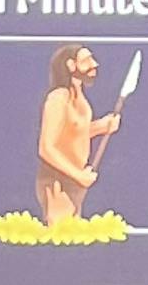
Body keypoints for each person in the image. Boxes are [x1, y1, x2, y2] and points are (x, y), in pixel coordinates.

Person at [35, 43, 124, 225]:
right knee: (61, 233)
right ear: (70, 65)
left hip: (74, 180)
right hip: (57, 180)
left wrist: (101, 126)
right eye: (87, 60)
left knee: (73, 231)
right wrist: (78, 175)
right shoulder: (58, 98)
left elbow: (73, 133)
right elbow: (46, 147)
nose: (94, 64)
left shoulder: (80, 97)